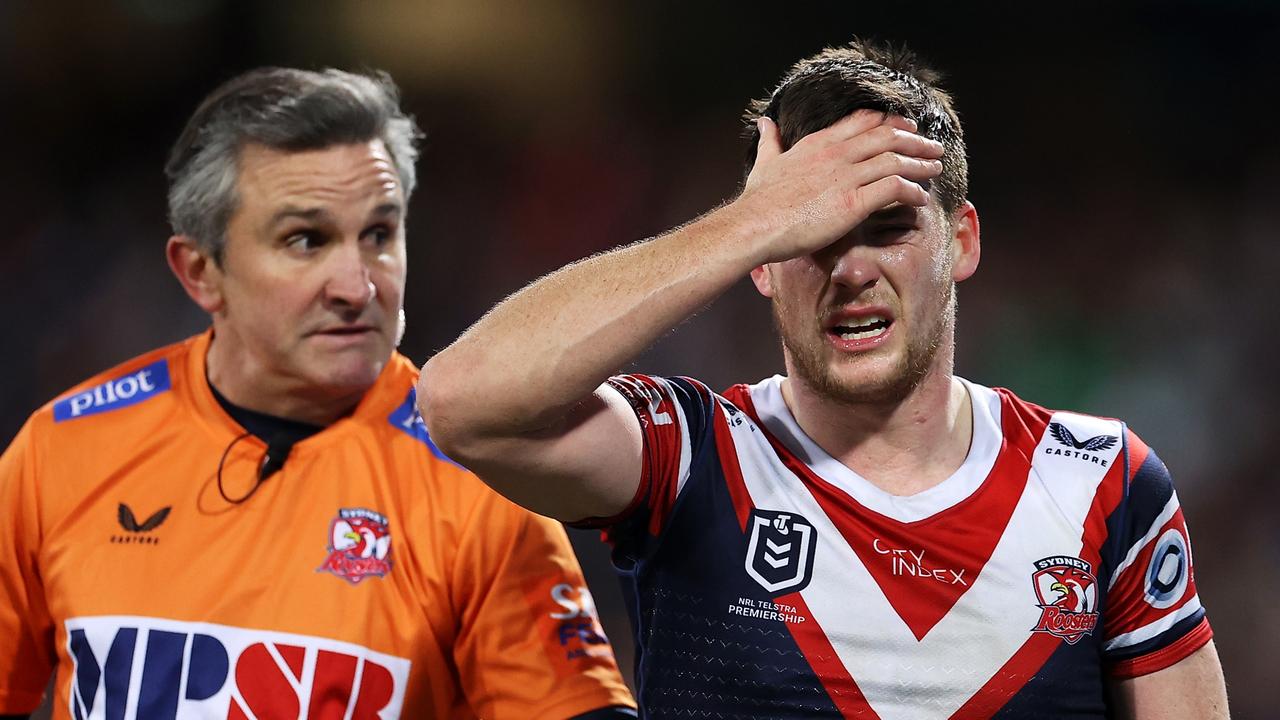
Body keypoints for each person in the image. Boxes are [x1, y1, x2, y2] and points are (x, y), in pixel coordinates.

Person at [416, 40, 1229, 718]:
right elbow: (462, 402)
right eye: (815, 234)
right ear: (762, 266)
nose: (852, 271)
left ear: (964, 242)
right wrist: (752, 220)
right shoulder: (694, 459)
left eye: (889, 226)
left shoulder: (1103, 485)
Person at [0, 68, 635, 720]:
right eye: (306, 240)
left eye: (380, 236)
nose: (356, 287)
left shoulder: (477, 481)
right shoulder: (63, 452)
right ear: (201, 273)